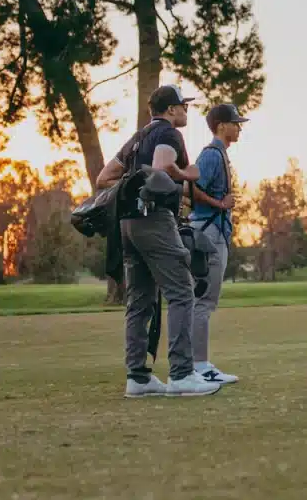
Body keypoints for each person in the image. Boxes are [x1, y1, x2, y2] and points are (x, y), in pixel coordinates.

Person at [95, 84, 221, 397]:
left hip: (128, 225)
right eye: (183, 105)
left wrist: (138, 183)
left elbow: (104, 178)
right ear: (170, 109)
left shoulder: (137, 138)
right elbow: (165, 167)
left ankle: (138, 378)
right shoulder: (168, 133)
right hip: (154, 221)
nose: (186, 110)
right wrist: (187, 173)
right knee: (181, 292)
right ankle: (181, 374)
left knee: (140, 300)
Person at [188, 103, 249, 385]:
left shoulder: (219, 154)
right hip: (208, 233)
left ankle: (196, 364)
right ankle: (199, 366)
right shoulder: (211, 155)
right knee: (204, 301)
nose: (239, 127)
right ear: (221, 126)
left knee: (203, 300)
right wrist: (220, 204)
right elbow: (191, 187)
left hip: (213, 231)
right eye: (235, 123)